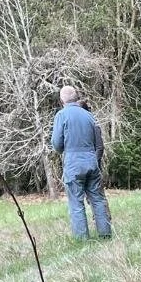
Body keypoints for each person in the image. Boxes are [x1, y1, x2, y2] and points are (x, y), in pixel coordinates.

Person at [51, 85, 111, 239]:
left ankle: (82, 239)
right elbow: (97, 140)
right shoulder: (89, 115)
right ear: (76, 97)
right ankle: (105, 234)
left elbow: (57, 145)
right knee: (97, 199)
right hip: (92, 162)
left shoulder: (61, 115)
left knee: (76, 203)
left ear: (61, 100)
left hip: (73, 163)